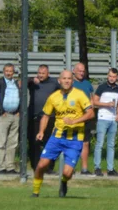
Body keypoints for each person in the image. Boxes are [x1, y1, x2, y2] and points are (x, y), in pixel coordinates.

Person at [32, 69, 94, 198]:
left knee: (67, 173)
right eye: (64, 79)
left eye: (69, 79)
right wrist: (41, 132)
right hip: (57, 136)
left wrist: (74, 121)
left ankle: (64, 183)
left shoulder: (80, 94)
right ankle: (35, 192)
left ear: (72, 81)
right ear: (59, 81)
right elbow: (46, 115)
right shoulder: (53, 97)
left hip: (75, 138)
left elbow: (91, 113)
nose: (66, 81)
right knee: (41, 165)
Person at [92, 67, 118, 176]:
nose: (111, 78)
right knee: (100, 143)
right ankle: (97, 167)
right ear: (107, 76)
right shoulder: (102, 87)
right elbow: (94, 102)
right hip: (102, 118)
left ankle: (110, 169)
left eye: (114, 77)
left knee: (111, 144)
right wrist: (107, 104)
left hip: (113, 119)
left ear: (117, 77)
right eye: (110, 76)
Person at [27, 64, 60, 168]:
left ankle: (49, 167)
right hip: (35, 117)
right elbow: (22, 82)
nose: (40, 75)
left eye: (43, 73)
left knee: (49, 143)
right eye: (39, 73)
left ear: (48, 73)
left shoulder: (54, 82)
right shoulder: (33, 82)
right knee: (34, 143)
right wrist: (32, 79)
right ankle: (35, 166)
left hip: (50, 117)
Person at [0, 63, 21, 174]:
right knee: (1, 142)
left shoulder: (16, 83)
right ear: (3, 71)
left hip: (15, 115)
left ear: (13, 72)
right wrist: (0, 111)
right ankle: (1, 167)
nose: (9, 73)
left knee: (13, 142)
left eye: (11, 71)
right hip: (3, 116)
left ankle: (10, 167)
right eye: (7, 71)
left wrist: (19, 111)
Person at [72, 62, 95, 175]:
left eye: (83, 71)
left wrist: (92, 111)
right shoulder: (70, 83)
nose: (81, 73)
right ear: (74, 71)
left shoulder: (87, 84)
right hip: (74, 118)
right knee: (72, 142)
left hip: (86, 118)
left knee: (85, 143)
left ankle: (84, 169)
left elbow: (91, 99)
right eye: (79, 71)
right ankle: (71, 166)